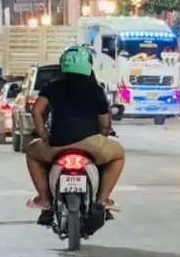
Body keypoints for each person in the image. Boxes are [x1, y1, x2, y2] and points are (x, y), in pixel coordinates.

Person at [25, 46, 126, 213]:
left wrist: (42, 132)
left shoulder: (52, 87)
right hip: (91, 144)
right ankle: (103, 199)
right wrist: (106, 133)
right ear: (88, 65)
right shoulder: (95, 89)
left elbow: (36, 111)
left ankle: (43, 198)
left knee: (31, 153)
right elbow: (105, 124)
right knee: (118, 155)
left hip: (56, 144)